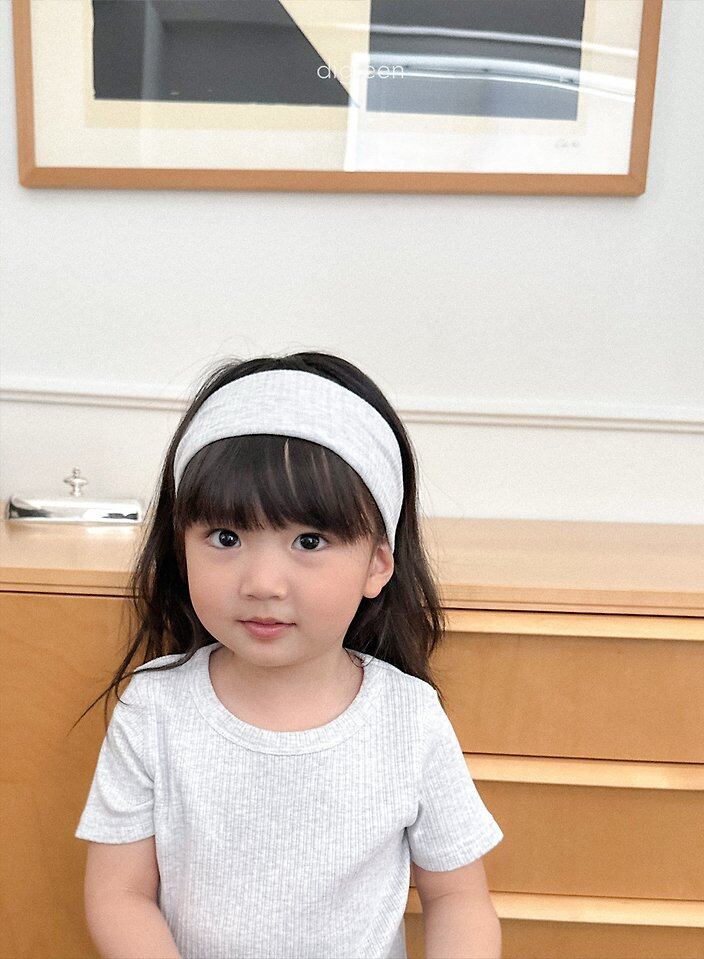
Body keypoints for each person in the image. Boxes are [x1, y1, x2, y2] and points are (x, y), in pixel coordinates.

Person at [72, 351, 504, 959]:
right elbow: (119, 894)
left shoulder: (409, 716)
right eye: (226, 537)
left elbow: (458, 898)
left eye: (309, 540)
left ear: (377, 564)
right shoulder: (154, 708)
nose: (263, 583)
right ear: (181, 548)